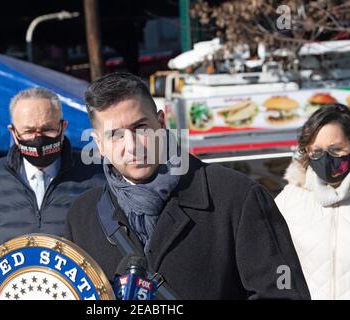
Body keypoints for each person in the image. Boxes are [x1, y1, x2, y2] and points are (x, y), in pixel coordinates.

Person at [64, 72, 310, 299]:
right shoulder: (82, 217)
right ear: (99, 144)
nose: (132, 146)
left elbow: (283, 294)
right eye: (115, 135)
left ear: (161, 123)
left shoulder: (236, 196)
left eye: (140, 128)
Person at [0, 87, 104, 299]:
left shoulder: (97, 175)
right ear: (13, 133)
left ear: (63, 127)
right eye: (28, 131)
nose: (38, 138)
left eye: (47, 129)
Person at [275, 103, 350, 300]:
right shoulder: (290, 200)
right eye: (317, 152)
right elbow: (271, 264)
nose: (326, 160)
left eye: (336, 150)